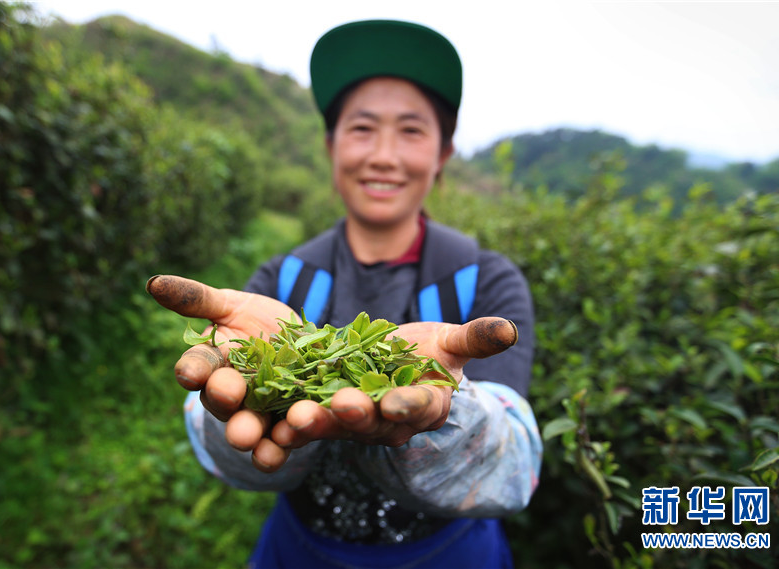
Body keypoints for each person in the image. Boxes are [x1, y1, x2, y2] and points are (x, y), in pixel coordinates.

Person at [147, 19, 542, 569]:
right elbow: (226, 435)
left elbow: (514, 461)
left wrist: (443, 422)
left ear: (443, 153)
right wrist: (244, 409)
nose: (383, 155)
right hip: (303, 550)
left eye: (411, 130)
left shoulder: (485, 281)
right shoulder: (285, 278)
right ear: (331, 146)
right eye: (361, 128)